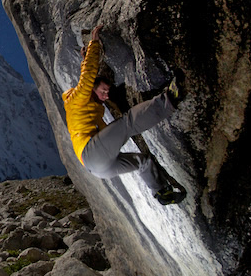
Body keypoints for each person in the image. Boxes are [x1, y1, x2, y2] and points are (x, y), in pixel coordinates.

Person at [63, 25, 186, 205]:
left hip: (97, 168)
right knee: (128, 123)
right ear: (93, 88)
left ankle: (162, 193)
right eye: (104, 91)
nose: (106, 95)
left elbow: (88, 78)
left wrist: (84, 60)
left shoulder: (85, 102)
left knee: (142, 161)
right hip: (91, 152)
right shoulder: (78, 98)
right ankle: (170, 98)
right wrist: (94, 44)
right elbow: (88, 77)